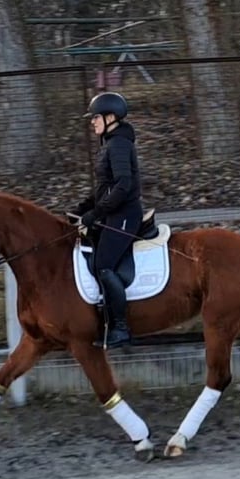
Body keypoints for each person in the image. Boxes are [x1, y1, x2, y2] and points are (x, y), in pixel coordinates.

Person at [74, 91, 143, 348]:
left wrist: (97, 213)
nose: (92, 122)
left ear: (110, 117)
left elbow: (123, 185)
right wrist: (82, 209)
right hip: (113, 211)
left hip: (125, 215)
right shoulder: (110, 144)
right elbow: (105, 186)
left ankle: (120, 328)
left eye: (96, 118)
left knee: (104, 264)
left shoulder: (119, 145)